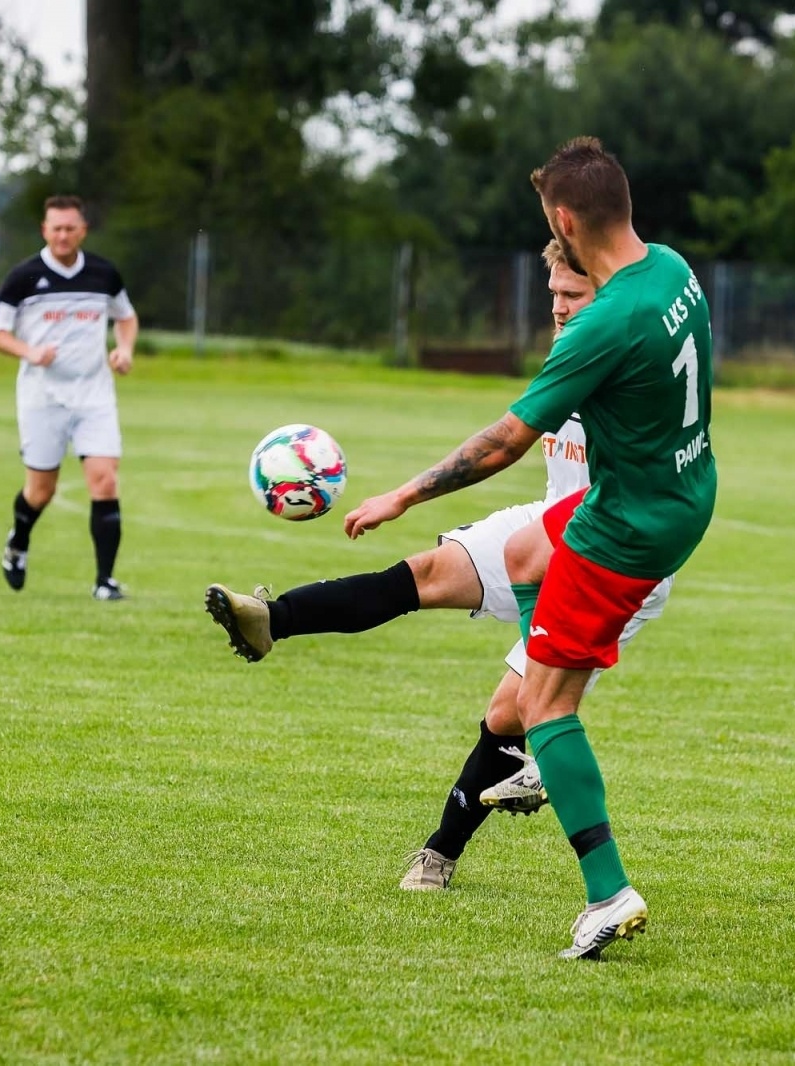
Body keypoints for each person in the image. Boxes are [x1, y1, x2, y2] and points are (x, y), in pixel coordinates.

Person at [341, 137, 718, 959]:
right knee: (520, 558)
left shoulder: (602, 324)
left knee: (541, 708)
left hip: (623, 525)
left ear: (564, 219)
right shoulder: (673, 272)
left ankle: (607, 889)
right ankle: (544, 715)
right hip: (681, 495)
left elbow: (503, 443)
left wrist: (404, 492)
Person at [202, 242, 672, 891]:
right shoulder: (575, 344)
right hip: (548, 527)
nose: (560, 309)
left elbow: (502, 445)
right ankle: (270, 620)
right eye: (555, 294)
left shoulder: (619, 350)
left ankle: (444, 853)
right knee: (424, 572)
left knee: (510, 713)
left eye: (575, 296)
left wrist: (403, 495)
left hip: (612, 558)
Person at [0, 194, 140, 600]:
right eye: (56, 228)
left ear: (83, 230)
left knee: (105, 481)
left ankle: (104, 581)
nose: (63, 235)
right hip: (42, 395)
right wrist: (29, 351)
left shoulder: (104, 273)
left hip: (94, 393)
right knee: (41, 491)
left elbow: (126, 316)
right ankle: (18, 541)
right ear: (44, 230)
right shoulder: (24, 276)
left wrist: (124, 350)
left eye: (71, 228)